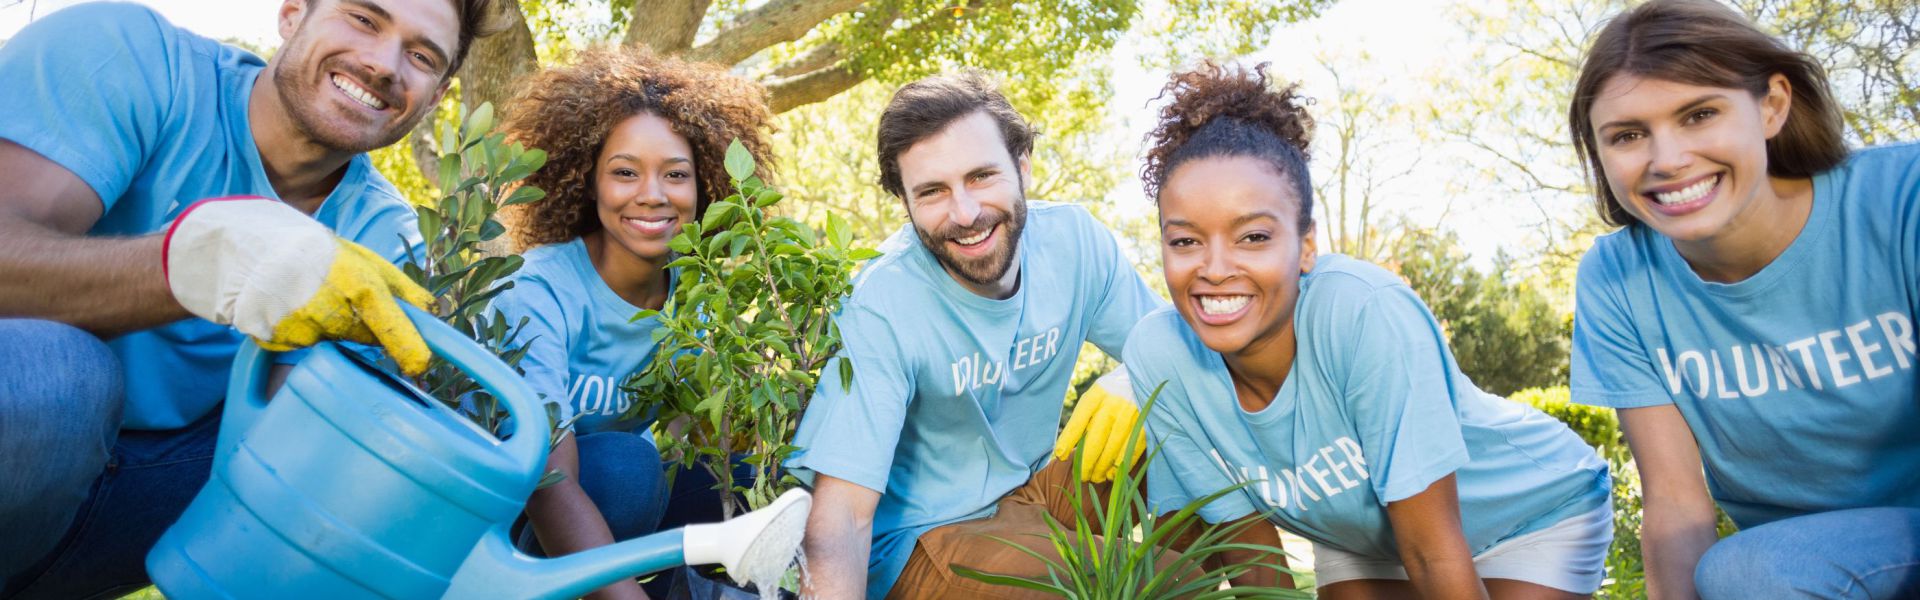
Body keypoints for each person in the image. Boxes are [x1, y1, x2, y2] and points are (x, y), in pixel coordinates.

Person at [0, 0, 504, 596]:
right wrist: (205, 265)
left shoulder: (385, 236)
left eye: (421, 55)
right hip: (26, 437)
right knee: (57, 374)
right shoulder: (129, 55)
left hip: (149, 497)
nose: (383, 64)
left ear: (437, 97)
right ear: (293, 14)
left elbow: (287, 455)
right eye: (364, 19)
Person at [1124, 61, 1614, 599]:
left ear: (1306, 244)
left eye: (1254, 237)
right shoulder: (1160, 355)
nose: (1214, 268)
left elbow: (1432, 551)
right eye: (1185, 241)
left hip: (1527, 513)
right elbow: (1251, 557)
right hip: (1364, 538)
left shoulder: (1362, 313)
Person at [1565, 1, 1920, 598]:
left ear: (1773, 105)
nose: (1668, 160)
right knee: (1747, 571)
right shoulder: (1616, 278)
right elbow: (1676, 505)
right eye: (1628, 135)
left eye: (1699, 114)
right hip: (1802, 569)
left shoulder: (1901, 197)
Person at [787, 70, 1166, 599]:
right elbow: (844, 512)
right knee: (1164, 588)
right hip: (928, 539)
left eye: (981, 176)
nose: (964, 213)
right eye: (933, 191)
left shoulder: (1075, 242)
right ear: (906, 202)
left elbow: (1184, 348)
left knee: (1180, 411)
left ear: (1023, 168)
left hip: (1038, 492)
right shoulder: (882, 301)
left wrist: (1140, 373)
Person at [491, 46, 776, 600]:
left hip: (624, 527)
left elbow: (694, 449)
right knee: (624, 470)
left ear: (706, 187)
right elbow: (547, 483)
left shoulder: (698, 297)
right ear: (588, 181)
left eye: (675, 174)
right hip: (521, 537)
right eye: (625, 172)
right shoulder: (539, 288)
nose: (652, 194)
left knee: (738, 475)